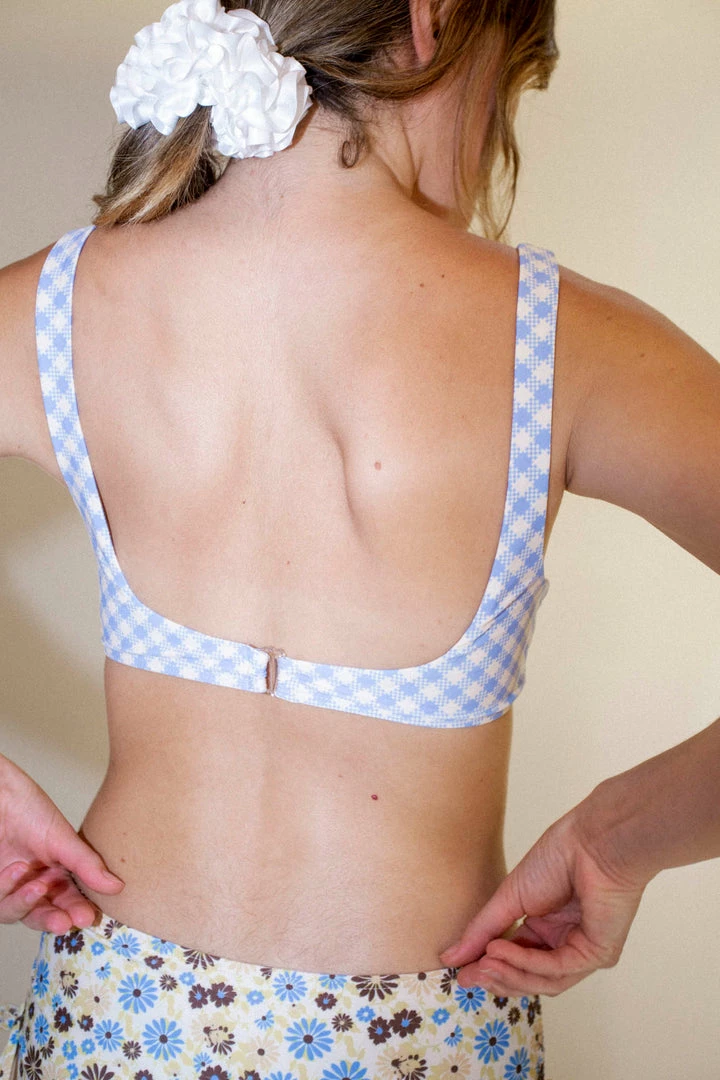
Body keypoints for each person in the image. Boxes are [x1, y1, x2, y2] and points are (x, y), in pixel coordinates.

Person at [0, 1, 718, 1077]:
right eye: (508, 86)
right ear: (437, 19)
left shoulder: (52, 305)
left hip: (116, 1017)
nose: (494, 141)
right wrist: (622, 838)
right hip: (423, 1037)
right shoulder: (568, 342)